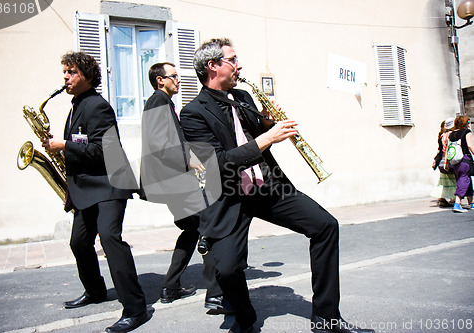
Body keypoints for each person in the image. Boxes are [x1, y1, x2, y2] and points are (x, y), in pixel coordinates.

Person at [179, 38, 374, 333]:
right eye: (232, 59)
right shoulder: (193, 113)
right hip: (230, 197)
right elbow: (216, 164)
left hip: (268, 187)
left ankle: (327, 318)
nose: (239, 64)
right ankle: (244, 318)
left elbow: (250, 135)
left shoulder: (243, 97)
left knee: (325, 226)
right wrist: (267, 138)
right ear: (213, 66)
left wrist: (268, 124)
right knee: (228, 269)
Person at [41, 51, 148, 333]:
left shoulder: (98, 106)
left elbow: (105, 150)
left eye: (72, 72)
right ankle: (96, 291)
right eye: (64, 72)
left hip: (110, 184)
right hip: (87, 187)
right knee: (78, 242)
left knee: (111, 239)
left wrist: (64, 145)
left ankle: (136, 309)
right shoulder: (77, 105)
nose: (65, 77)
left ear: (88, 76)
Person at [140, 62, 230, 313]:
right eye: (174, 76)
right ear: (160, 80)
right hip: (175, 181)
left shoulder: (163, 101)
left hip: (172, 181)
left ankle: (170, 287)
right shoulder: (158, 100)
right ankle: (216, 294)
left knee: (192, 230)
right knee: (209, 227)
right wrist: (188, 158)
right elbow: (159, 142)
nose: (178, 80)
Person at [447, 115, 474, 213]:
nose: (469, 124)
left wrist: (446, 162)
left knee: (465, 178)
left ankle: (471, 202)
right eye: (468, 122)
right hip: (464, 158)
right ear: (464, 123)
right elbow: (470, 146)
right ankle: (457, 203)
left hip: (455, 160)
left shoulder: (452, 134)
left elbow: (448, 148)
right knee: (464, 180)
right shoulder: (467, 132)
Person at [430, 118, 456, 207]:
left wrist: (437, 160)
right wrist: (446, 162)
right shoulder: (452, 135)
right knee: (453, 180)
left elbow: (440, 150)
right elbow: (449, 149)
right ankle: (452, 198)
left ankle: (442, 198)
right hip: (449, 160)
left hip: (442, 161)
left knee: (443, 182)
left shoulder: (442, 136)